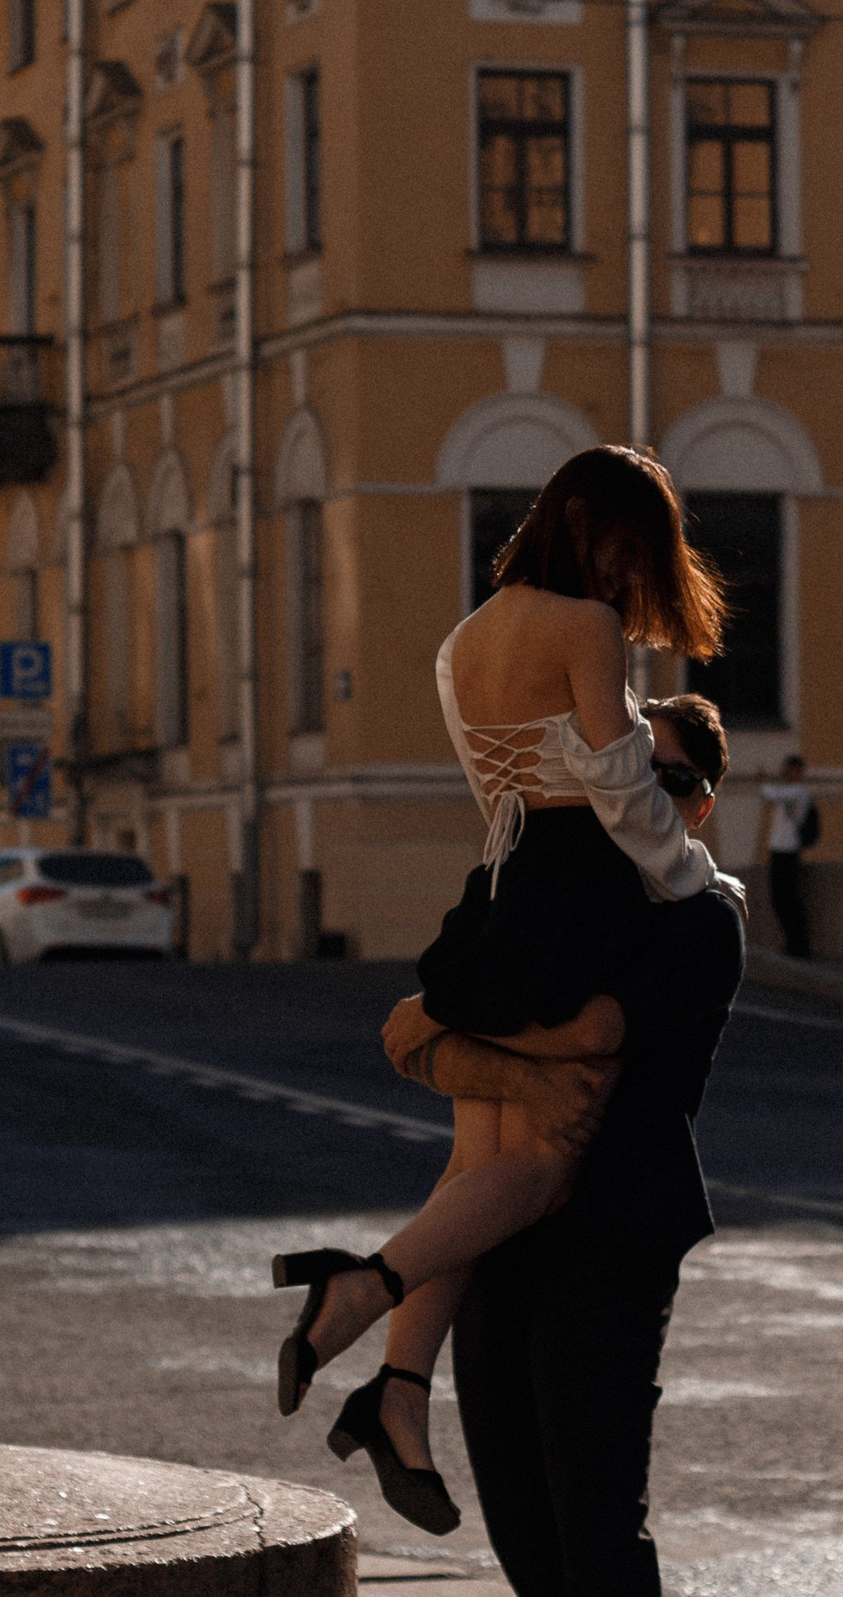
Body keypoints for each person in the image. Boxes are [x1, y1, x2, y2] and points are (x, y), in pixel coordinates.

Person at [268, 447, 727, 1528]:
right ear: (585, 522)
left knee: (475, 1168)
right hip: (576, 891)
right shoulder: (584, 627)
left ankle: (400, 1392)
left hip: (502, 888)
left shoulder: (464, 640)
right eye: (628, 550)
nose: (627, 577)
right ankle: (363, 1286)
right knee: (539, 1166)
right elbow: (622, 792)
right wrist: (698, 880)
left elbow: (499, 791)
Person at [383, 693, 746, 1597]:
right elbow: (428, 1014)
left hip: (613, 1239)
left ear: (702, 803)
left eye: (680, 781)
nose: (657, 796)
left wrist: (458, 1024)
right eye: (639, 771)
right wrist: (459, 1020)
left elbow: (583, 1030)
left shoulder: (701, 915)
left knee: (596, 1530)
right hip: (506, 1237)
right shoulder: (552, 891)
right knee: (529, 1534)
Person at [761, 749, 817, 959]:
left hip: (788, 851)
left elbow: (770, 794)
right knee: (781, 899)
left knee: (788, 900)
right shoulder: (792, 791)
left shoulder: (799, 792)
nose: (784, 772)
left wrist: (763, 782)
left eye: (787, 769)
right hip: (780, 850)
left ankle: (799, 945)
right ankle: (793, 943)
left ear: (796, 770)